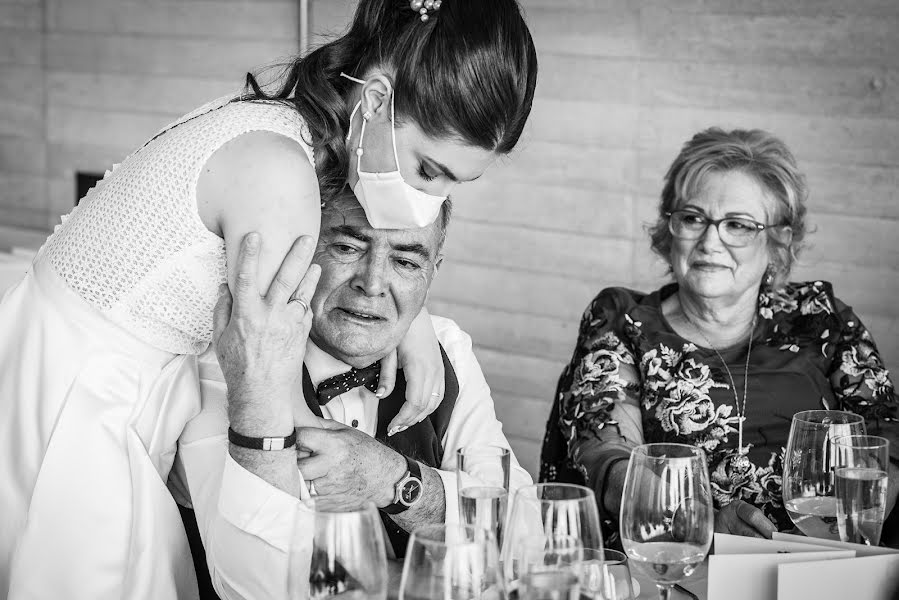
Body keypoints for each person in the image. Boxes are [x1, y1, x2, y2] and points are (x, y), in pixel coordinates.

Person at [0, 0, 538, 597]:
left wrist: (414, 324)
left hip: (60, 361)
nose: (428, 200)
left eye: (452, 187)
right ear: (378, 101)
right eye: (429, 171)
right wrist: (367, 470)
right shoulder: (282, 177)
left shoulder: (276, 123)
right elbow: (287, 429)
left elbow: (528, 534)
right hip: (84, 402)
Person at [539, 128, 898, 544]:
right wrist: (702, 528)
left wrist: (849, 525)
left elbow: (884, 439)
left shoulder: (821, 319)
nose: (711, 241)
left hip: (815, 561)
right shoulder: (623, 321)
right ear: (669, 229)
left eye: (738, 225)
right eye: (693, 218)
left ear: (778, 240)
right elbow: (610, 461)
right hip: (675, 565)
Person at [173, 191, 532, 598]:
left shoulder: (448, 349)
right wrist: (432, 568)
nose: (373, 283)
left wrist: (391, 479)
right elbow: (254, 587)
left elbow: (527, 536)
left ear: (432, 273)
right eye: (346, 247)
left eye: (406, 261)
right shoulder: (231, 361)